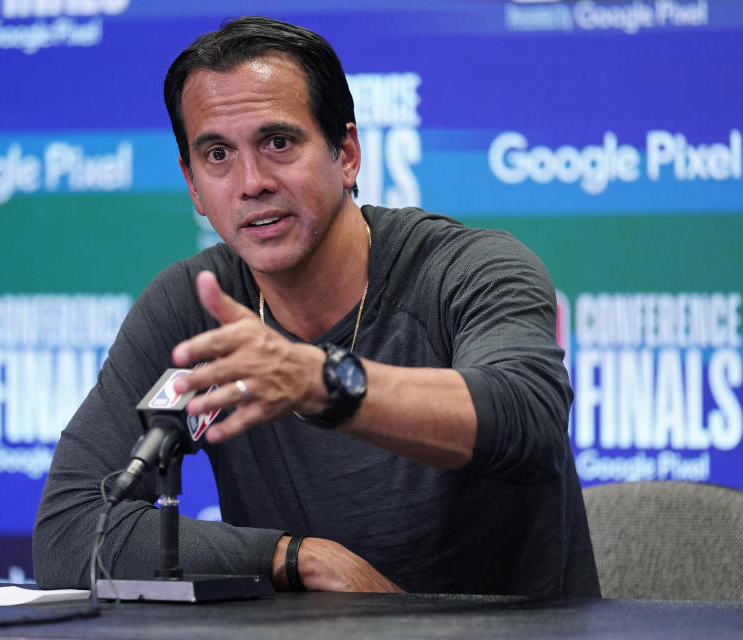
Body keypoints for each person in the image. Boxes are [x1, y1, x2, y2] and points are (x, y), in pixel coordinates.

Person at [33, 16, 600, 597]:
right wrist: (291, 556)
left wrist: (325, 384)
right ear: (194, 186)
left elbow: (527, 419)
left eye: (278, 143)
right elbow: (72, 533)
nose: (251, 182)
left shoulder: (468, 269)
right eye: (218, 154)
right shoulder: (196, 304)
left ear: (347, 153)